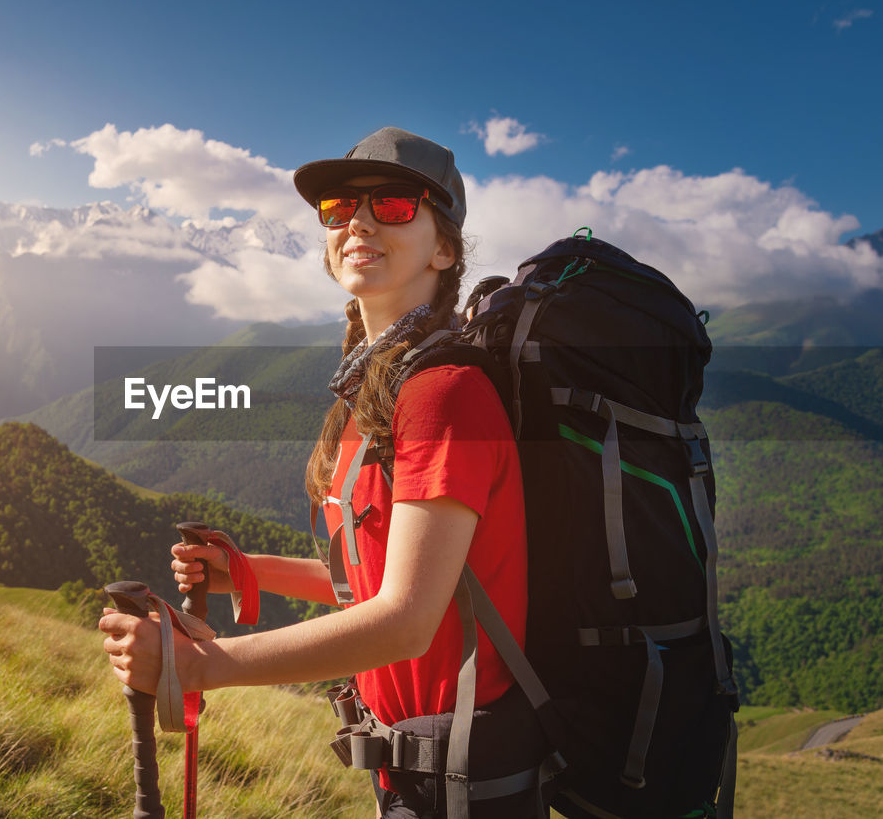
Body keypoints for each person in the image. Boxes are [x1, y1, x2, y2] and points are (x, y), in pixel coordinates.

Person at [100, 127, 548, 817]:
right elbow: (372, 586)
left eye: (394, 205)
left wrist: (200, 667)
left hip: (461, 776)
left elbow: (405, 622)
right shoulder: (378, 389)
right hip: (415, 764)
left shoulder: (444, 392)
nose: (358, 222)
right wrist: (248, 571)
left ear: (446, 247)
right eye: (340, 208)